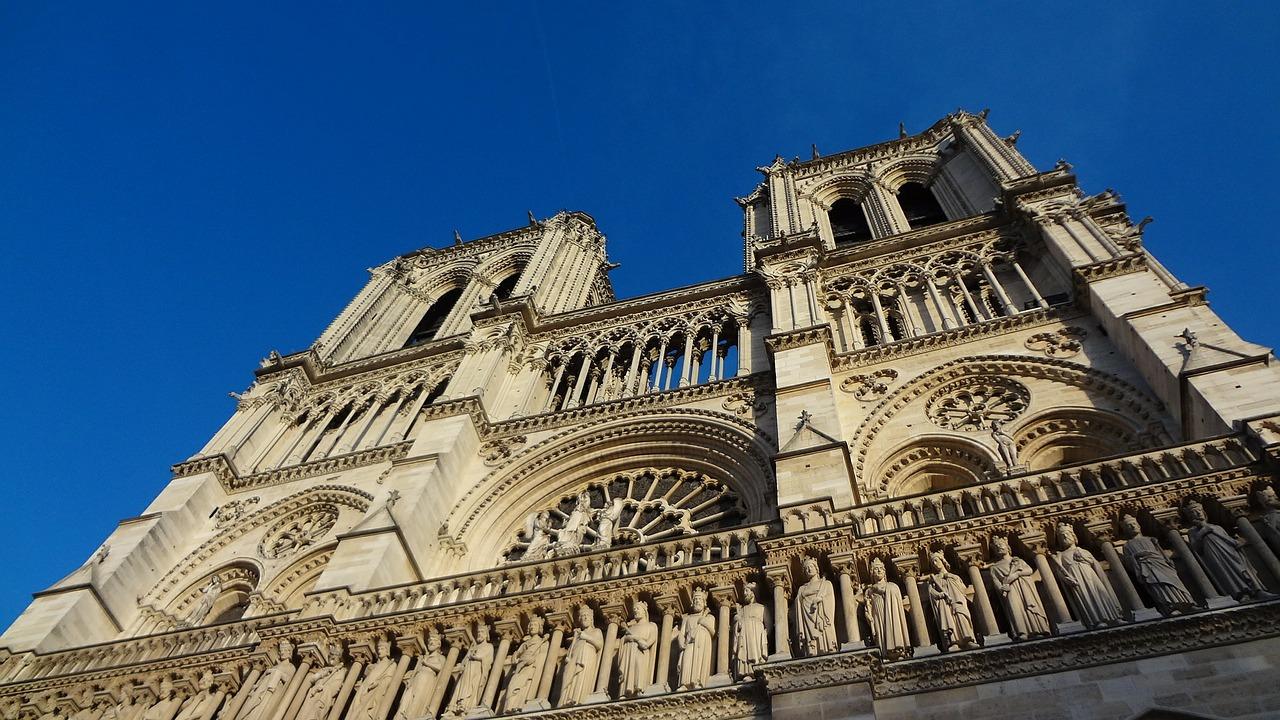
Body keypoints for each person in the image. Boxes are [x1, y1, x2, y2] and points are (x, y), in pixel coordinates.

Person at [1184, 500, 1271, 601]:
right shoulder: (1192, 531)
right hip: (1215, 555)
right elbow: (1196, 548)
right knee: (1227, 572)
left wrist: (1237, 542)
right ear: (1190, 516)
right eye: (1194, 512)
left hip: (1231, 552)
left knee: (1243, 569)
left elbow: (1228, 540)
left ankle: (1258, 591)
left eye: (1199, 510)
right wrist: (1203, 531)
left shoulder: (1217, 527)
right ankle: (1241, 594)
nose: (1198, 513)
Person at [1118, 514, 1197, 616]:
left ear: (1139, 525)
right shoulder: (1127, 545)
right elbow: (1128, 563)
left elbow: (1162, 554)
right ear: (1126, 530)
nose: (1133, 527)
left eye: (1134, 524)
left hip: (1160, 564)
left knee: (1174, 582)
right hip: (1146, 567)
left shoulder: (1151, 539)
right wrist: (1136, 557)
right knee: (1158, 586)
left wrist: (1168, 561)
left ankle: (1188, 602)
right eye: (1129, 526)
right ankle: (1169, 607)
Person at [1052, 523, 1126, 628]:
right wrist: (1067, 579)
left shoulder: (1082, 550)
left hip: (1090, 574)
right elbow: (1060, 571)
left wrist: (1083, 558)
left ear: (1074, 536)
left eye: (1067, 534)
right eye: (1062, 536)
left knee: (1101, 593)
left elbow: (1093, 563)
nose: (1065, 537)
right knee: (1087, 598)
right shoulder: (1060, 555)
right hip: (1077, 580)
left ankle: (1115, 617)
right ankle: (1097, 621)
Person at [987, 536, 1050, 639]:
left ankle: (1038, 629)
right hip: (1011, 591)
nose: (1000, 548)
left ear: (1007, 547)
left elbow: (1029, 570)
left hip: (1024, 586)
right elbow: (996, 584)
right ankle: (1022, 632)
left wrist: (1016, 575)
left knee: (1030, 606)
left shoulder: (1018, 560)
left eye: (1001, 545)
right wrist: (1002, 588)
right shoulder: (994, 568)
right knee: (1015, 609)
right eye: (997, 547)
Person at [925, 551, 979, 650]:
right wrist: (940, 594)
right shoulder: (934, 579)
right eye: (933, 563)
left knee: (961, 615)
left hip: (957, 600)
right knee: (948, 619)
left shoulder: (954, 576)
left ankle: (968, 639)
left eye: (936, 561)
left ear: (942, 561)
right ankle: (953, 642)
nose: (935, 564)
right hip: (945, 604)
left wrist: (949, 578)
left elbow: (962, 589)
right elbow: (931, 592)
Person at [862, 558, 912, 660]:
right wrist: (868, 615)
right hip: (878, 611)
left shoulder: (892, 586)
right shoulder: (869, 591)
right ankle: (884, 652)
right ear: (872, 573)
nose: (879, 571)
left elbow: (896, 604)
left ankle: (899, 650)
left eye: (881, 569)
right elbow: (868, 608)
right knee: (881, 631)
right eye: (876, 569)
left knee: (893, 627)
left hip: (891, 612)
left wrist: (881, 590)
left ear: (885, 572)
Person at [238, 640, 296, 720]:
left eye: (285, 650)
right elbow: (261, 679)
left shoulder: (291, 667)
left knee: (262, 708)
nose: (282, 653)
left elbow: (289, 681)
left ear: (289, 652)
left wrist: (277, 673)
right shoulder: (275, 666)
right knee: (251, 708)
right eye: (281, 651)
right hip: (262, 687)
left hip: (273, 691)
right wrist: (256, 686)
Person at [499, 618, 547, 713]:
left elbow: (542, 659)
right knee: (512, 686)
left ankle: (519, 706)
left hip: (531, 669)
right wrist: (515, 659)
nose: (532, 627)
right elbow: (516, 655)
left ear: (539, 628)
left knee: (523, 687)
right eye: (531, 625)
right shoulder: (525, 643)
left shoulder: (542, 642)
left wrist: (534, 660)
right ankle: (510, 707)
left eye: (535, 625)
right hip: (520, 668)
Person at [557, 605, 602, 707]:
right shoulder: (577, 636)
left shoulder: (596, 631)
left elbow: (599, 644)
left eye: (587, 616)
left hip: (587, 658)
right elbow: (571, 650)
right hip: (574, 659)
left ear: (591, 619)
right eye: (583, 616)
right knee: (570, 678)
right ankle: (567, 699)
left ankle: (580, 698)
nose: (585, 618)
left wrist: (586, 637)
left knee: (582, 677)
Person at [793, 557, 837, 656]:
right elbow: (798, 603)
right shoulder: (802, 588)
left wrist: (821, 600)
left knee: (823, 632)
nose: (809, 570)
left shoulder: (825, 584)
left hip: (821, 615)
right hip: (807, 617)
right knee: (811, 640)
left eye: (811, 567)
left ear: (816, 568)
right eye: (806, 568)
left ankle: (827, 647)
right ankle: (811, 649)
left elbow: (830, 601)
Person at [448, 624, 495, 716]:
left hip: (478, 670)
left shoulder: (489, 646)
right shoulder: (473, 647)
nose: (479, 634)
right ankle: (458, 706)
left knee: (473, 687)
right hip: (468, 670)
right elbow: (465, 660)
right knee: (463, 687)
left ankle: (467, 706)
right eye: (478, 632)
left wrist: (478, 658)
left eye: (481, 632)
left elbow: (489, 660)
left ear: (486, 635)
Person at [345, 636, 396, 720]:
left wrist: (377, 683)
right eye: (378, 649)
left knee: (364, 714)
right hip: (364, 688)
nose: (379, 651)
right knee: (355, 712)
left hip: (375, 690)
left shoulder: (390, 664)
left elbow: (389, 679)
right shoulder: (372, 666)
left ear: (387, 651)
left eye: (382, 649)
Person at [616, 600, 657, 697]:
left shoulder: (651, 626)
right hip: (628, 653)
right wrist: (627, 638)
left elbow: (648, 643)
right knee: (628, 669)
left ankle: (639, 689)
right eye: (634, 609)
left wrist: (636, 638)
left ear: (644, 611)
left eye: (638, 609)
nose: (635, 611)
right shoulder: (631, 627)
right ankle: (625, 692)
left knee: (639, 668)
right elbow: (623, 641)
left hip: (641, 653)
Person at [676, 587, 715, 690]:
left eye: (700, 600)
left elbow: (712, 631)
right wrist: (682, 643)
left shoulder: (709, 617)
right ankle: (685, 684)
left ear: (704, 603)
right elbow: (682, 633)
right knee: (687, 660)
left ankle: (698, 682)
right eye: (695, 600)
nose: (697, 601)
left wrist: (703, 621)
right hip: (689, 643)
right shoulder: (687, 618)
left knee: (699, 662)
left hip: (702, 644)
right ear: (692, 603)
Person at [299, 642, 350, 720]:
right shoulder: (324, 669)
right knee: (305, 713)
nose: (331, 659)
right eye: (330, 657)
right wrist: (323, 674)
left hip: (324, 696)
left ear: (339, 660)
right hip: (314, 693)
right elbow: (312, 679)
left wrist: (324, 688)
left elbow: (337, 686)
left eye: (334, 658)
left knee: (315, 714)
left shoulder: (340, 671)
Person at [731, 586, 768, 680]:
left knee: (755, 652)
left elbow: (768, 625)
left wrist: (764, 636)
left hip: (756, 634)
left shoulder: (761, 608)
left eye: (746, 591)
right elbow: (736, 623)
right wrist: (738, 621)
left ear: (753, 593)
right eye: (744, 591)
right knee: (745, 653)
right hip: (744, 635)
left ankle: (758, 671)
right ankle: (747, 673)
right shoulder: (742, 610)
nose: (744, 593)